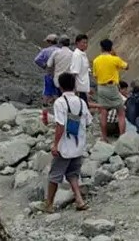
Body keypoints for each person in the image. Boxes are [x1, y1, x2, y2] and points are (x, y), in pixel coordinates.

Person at [44, 73, 91, 213]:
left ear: (60, 86)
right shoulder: (82, 102)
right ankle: (79, 199)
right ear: (74, 85)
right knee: (73, 174)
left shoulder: (60, 102)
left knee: (54, 175)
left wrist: (55, 144)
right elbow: (88, 122)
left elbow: (60, 125)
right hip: (79, 145)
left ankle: (49, 204)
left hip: (65, 146)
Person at [92, 39, 128, 142]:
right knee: (120, 112)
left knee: (104, 112)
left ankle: (104, 137)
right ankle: (122, 137)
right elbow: (127, 67)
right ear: (111, 48)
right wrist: (115, 55)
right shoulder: (114, 59)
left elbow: (95, 75)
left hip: (101, 87)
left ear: (101, 48)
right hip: (112, 87)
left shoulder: (96, 60)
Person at [34, 34, 60, 105]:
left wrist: (44, 65)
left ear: (49, 42)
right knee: (58, 90)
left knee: (47, 89)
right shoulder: (60, 51)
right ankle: (58, 104)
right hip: (59, 73)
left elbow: (37, 59)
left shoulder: (45, 51)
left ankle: (45, 104)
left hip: (49, 73)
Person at [69, 34, 91, 102]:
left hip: (83, 88)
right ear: (77, 43)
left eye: (86, 43)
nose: (85, 44)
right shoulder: (77, 55)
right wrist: (74, 90)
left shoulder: (83, 54)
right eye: (83, 42)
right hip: (79, 89)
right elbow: (74, 73)